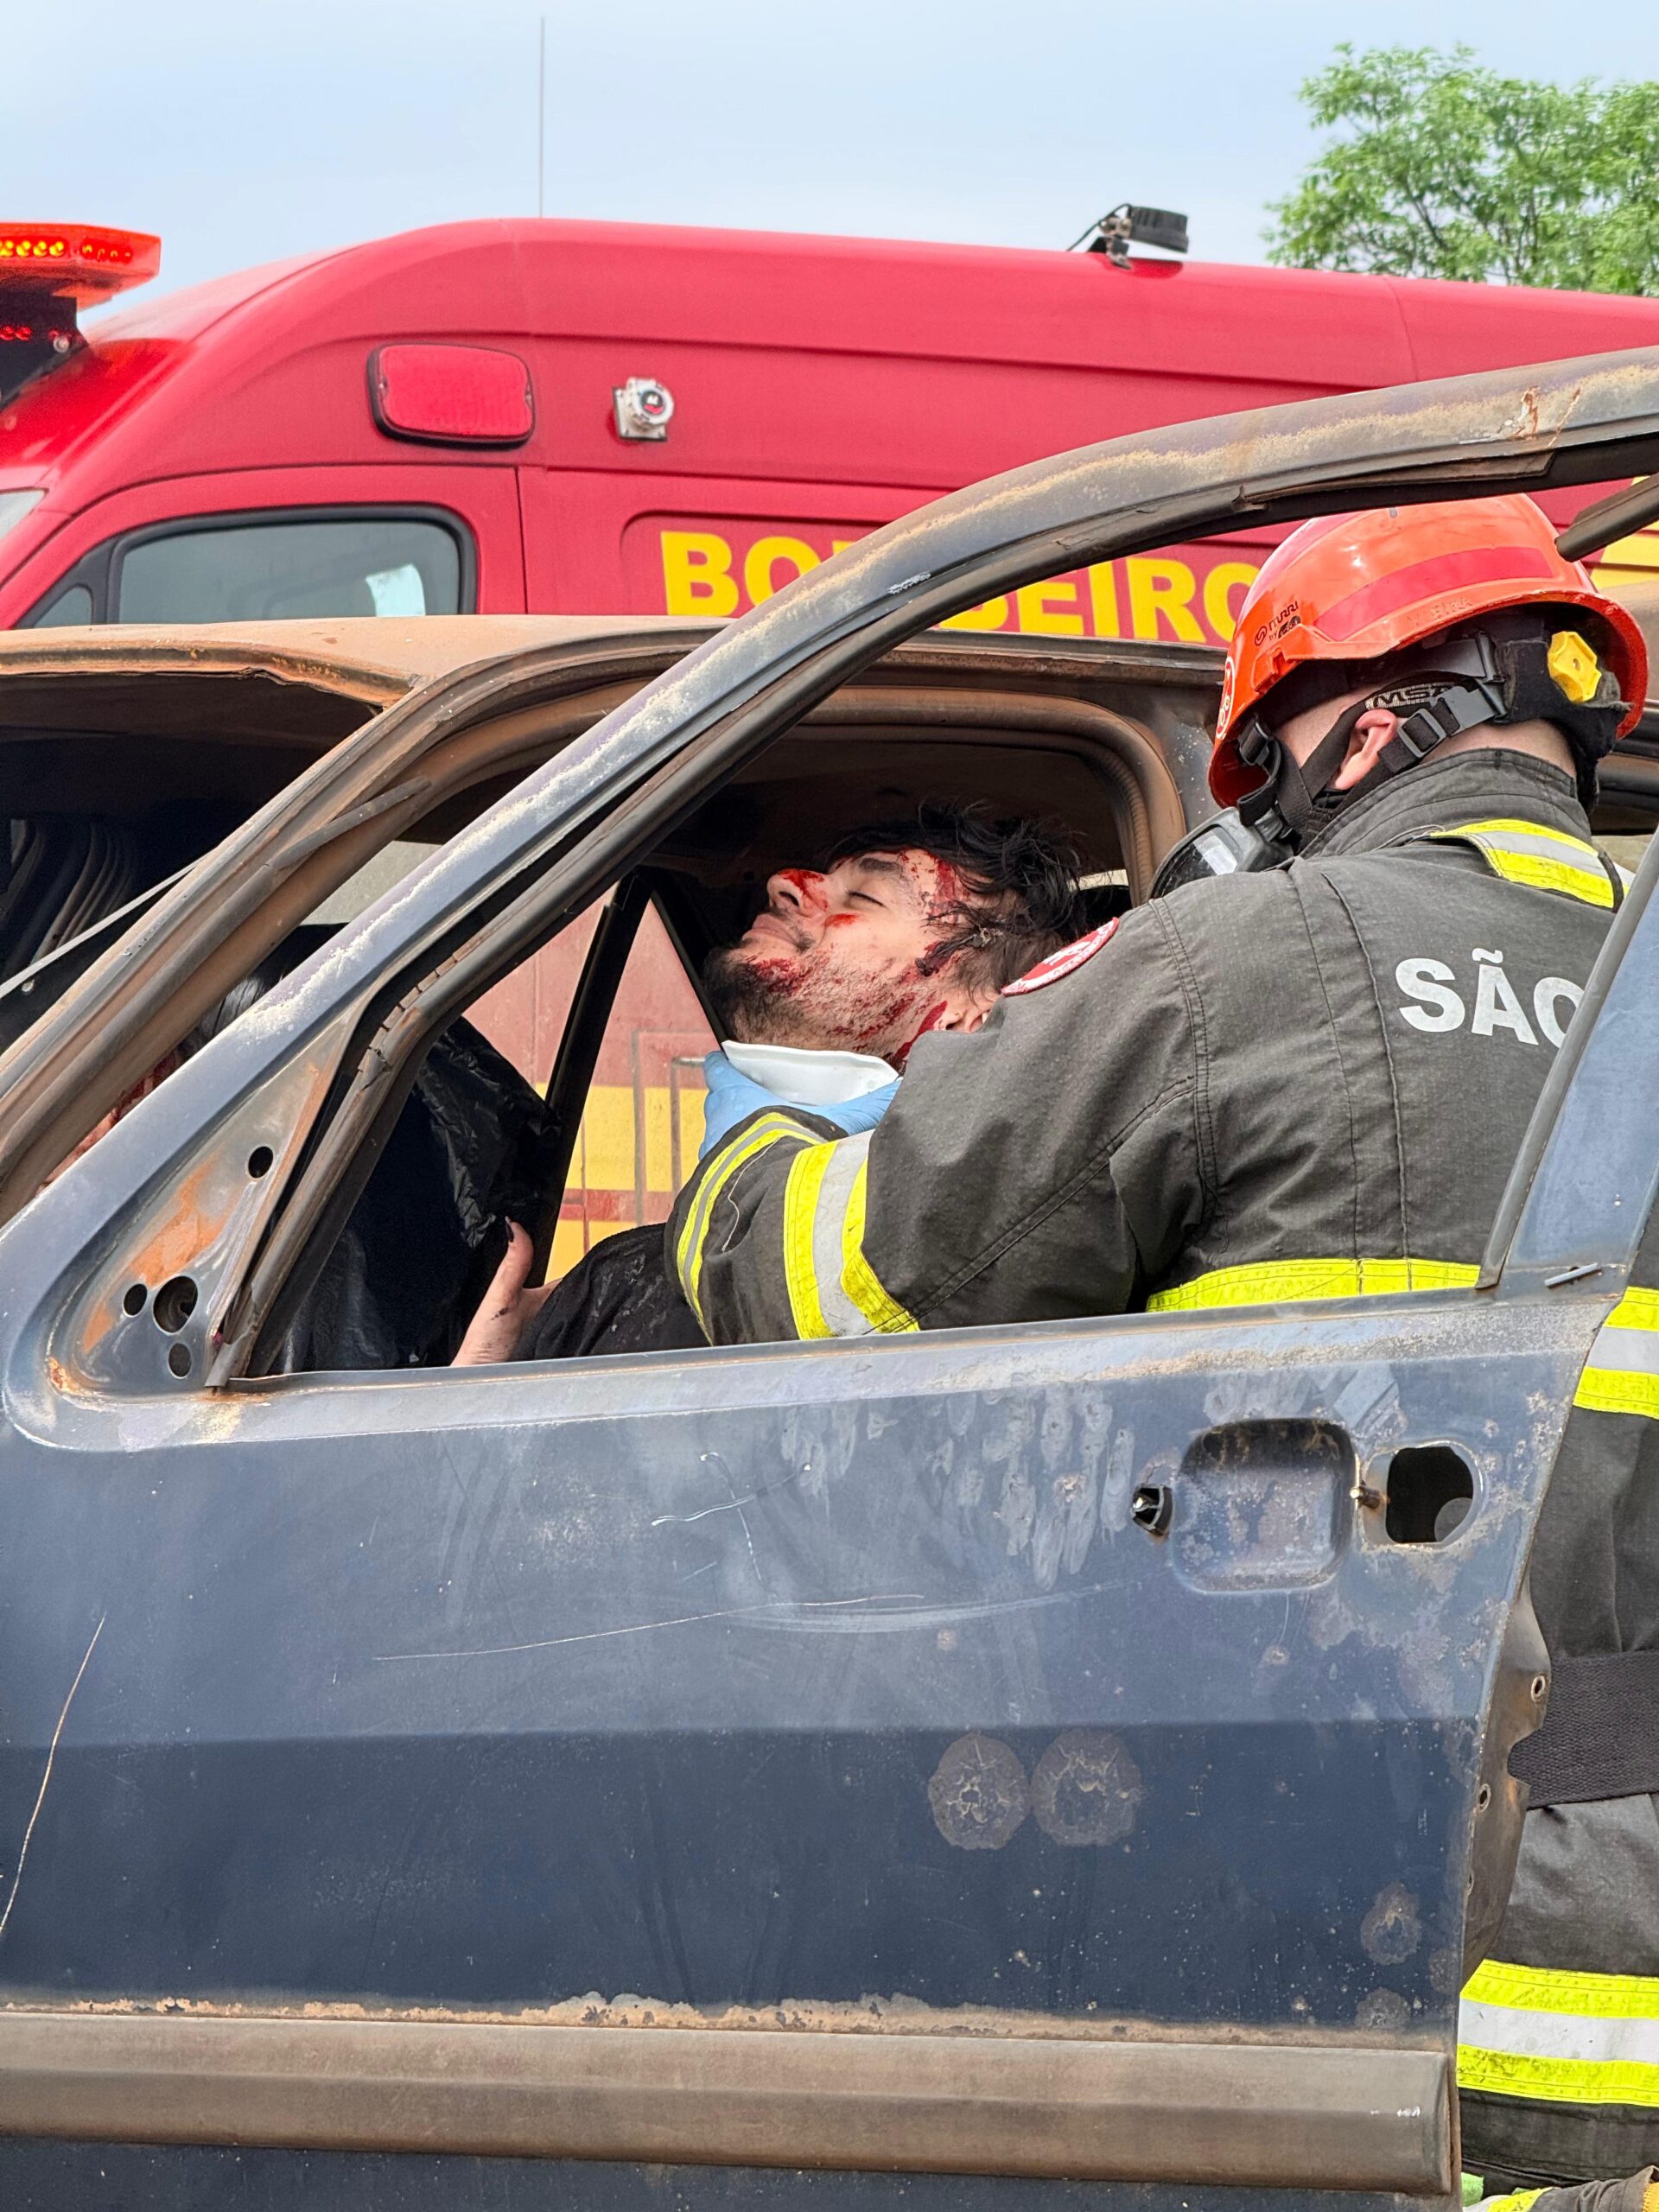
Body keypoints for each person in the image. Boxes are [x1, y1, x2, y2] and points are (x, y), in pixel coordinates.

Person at [665, 494, 1659, 2210]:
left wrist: (753, 1147)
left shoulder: (1236, 960)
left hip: (1350, 1901)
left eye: (1261, 766)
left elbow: (849, 1287)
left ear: (1356, 725)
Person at [454, 803, 1087, 1363]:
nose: (786, 883)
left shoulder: (982, 1259)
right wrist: (499, 1376)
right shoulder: (627, 1272)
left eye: (863, 899)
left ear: (971, 1014)